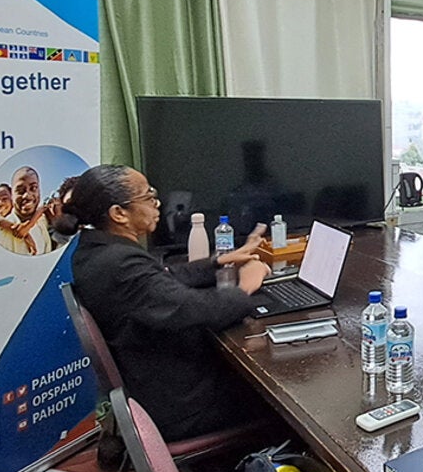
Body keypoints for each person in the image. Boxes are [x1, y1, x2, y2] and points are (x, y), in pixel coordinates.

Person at [55, 164, 274, 443]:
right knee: (276, 392)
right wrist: (247, 286)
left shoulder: (95, 249)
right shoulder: (120, 264)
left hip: (155, 385)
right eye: (147, 197)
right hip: (182, 407)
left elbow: (162, 277)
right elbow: (197, 309)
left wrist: (219, 262)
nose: (157, 204)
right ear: (118, 213)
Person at [11, 166, 54, 255]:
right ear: (12, 195)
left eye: (33, 188)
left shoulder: (43, 221)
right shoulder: (2, 231)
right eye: (20, 190)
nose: (27, 195)